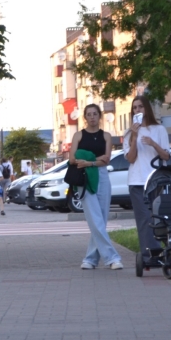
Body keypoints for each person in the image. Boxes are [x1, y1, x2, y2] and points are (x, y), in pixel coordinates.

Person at [70, 103, 123, 270]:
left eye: (95, 114)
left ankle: (90, 259)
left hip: (101, 175)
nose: (92, 117)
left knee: (101, 218)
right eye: (89, 114)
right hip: (84, 177)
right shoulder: (78, 135)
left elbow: (106, 159)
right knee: (95, 218)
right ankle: (112, 258)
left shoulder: (106, 136)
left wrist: (89, 161)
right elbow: (72, 159)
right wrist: (91, 161)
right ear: (84, 117)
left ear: (99, 116)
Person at [123, 95, 170, 266]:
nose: (137, 110)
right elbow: (131, 158)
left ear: (147, 109)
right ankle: (148, 256)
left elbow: (166, 155)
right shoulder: (129, 133)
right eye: (134, 108)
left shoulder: (159, 130)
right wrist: (135, 136)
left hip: (156, 180)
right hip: (137, 181)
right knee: (143, 220)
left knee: (160, 217)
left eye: (140, 107)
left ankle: (164, 253)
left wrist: (153, 143)